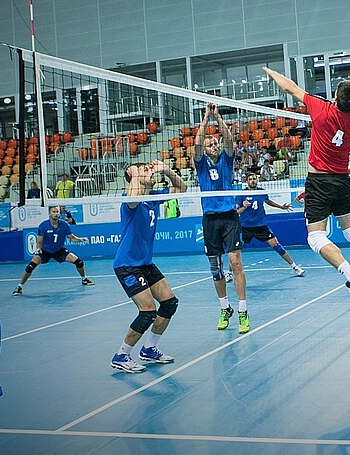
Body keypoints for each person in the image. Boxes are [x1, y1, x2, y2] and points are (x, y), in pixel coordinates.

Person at [264, 66, 350, 311]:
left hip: (319, 182)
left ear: (335, 97)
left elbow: (290, 87)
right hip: (342, 181)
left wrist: (272, 73)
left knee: (315, 237)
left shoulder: (321, 108)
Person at [110, 160, 188, 373]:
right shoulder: (130, 199)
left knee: (170, 303)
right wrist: (135, 173)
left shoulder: (153, 197)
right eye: (146, 170)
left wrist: (166, 170)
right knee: (147, 312)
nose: (151, 172)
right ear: (132, 173)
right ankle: (121, 355)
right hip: (127, 265)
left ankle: (149, 349)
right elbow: (133, 197)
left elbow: (182, 188)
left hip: (145, 264)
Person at [195, 103, 251, 333]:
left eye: (215, 143)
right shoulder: (200, 163)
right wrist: (205, 118)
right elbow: (197, 143)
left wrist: (217, 117)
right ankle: (224, 308)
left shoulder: (226, 161)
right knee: (215, 268)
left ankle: (243, 311)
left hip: (229, 217)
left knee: (235, 263)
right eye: (210, 144)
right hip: (210, 219)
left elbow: (229, 140)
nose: (214, 146)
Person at [12, 206, 93, 295]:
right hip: (45, 251)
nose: (56, 214)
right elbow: (39, 241)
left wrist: (81, 239)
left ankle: (84, 279)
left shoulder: (64, 225)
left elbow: (72, 238)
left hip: (59, 250)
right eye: (53, 212)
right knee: (30, 266)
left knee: (79, 262)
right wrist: (38, 248)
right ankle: (19, 286)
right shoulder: (43, 225)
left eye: (57, 212)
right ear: (49, 213)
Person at [237, 171, 305, 277]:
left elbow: (268, 201)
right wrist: (244, 206)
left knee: (276, 245)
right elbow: (236, 211)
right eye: (250, 179)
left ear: (257, 180)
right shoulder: (241, 194)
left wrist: (282, 207)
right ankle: (229, 273)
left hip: (261, 226)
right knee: (236, 250)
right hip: (245, 227)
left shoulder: (262, 192)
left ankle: (295, 267)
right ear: (246, 181)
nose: (253, 181)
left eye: (254, 179)